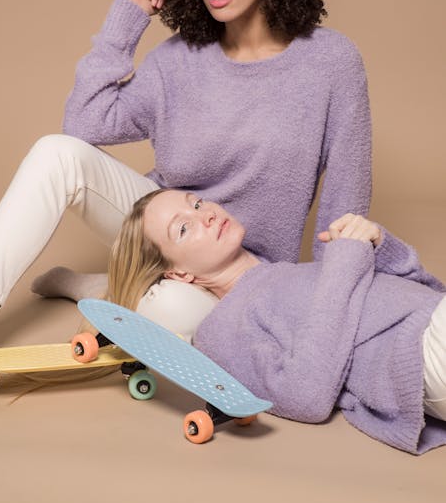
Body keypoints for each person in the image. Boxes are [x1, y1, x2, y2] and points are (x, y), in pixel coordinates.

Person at [0, 0, 371, 366]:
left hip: (247, 270)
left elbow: (347, 205)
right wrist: (125, 22)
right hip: (168, 228)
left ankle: (113, 285)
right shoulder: (178, 60)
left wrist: (325, 308)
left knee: (175, 314)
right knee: (54, 151)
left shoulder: (331, 62)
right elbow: (83, 123)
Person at [106, 188, 446, 455]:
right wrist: (346, 261)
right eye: (183, 228)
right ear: (179, 272)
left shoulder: (288, 271)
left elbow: (427, 291)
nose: (205, 215)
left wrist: (377, 243)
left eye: (196, 204)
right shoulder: (221, 330)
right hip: (420, 353)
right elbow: (305, 397)